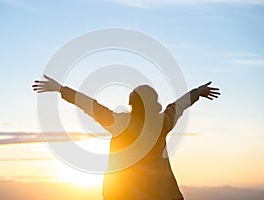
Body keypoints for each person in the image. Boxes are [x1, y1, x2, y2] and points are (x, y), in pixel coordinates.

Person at [32, 75, 220, 200]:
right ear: (153, 103)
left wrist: (60, 89)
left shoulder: (119, 123)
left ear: (132, 104)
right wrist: (198, 92)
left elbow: (90, 105)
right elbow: (178, 105)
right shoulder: (163, 123)